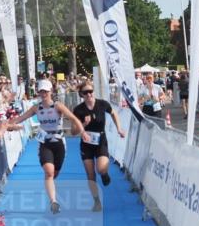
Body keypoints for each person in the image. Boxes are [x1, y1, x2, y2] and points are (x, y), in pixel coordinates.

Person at [11, 79, 87, 214]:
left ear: (51, 91)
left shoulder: (58, 106)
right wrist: (8, 125)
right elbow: (21, 118)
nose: (43, 93)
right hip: (44, 143)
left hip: (59, 143)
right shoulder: (36, 107)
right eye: (41, 91)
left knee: (55, 173)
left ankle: (51, 187)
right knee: (49, 172)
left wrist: (82, 132)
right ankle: (53, 201)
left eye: (46, 91)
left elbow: (74, 118)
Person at [71, 80, 125, 211]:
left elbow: (114, 113)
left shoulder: (102, 104)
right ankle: (96, 202)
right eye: (85, 93)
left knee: (100, 169)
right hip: (86, 144)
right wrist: (83, 124)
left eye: (91, 91)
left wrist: (119, 129)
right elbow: (73, 132)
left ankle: (105, 174)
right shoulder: (78, 110)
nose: (89, 94)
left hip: (100, 141)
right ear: (81, 95)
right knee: (90, 175)